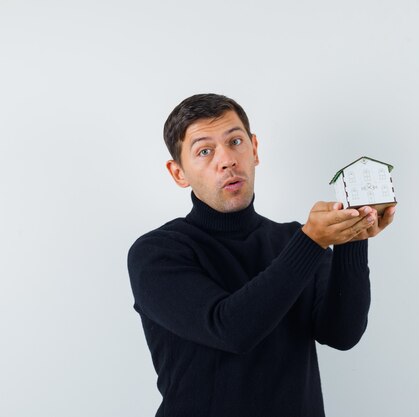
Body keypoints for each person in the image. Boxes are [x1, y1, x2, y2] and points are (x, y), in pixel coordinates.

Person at [127, 93, 395, 417]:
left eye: (235, 141)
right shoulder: (156, 253)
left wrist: (352, 235)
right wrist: (312, 242)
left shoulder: (293, 240)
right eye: (204, 151)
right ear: (178, 173)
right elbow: (231, 329)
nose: (226, 160)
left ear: (254, 149)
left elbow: (341, 333)